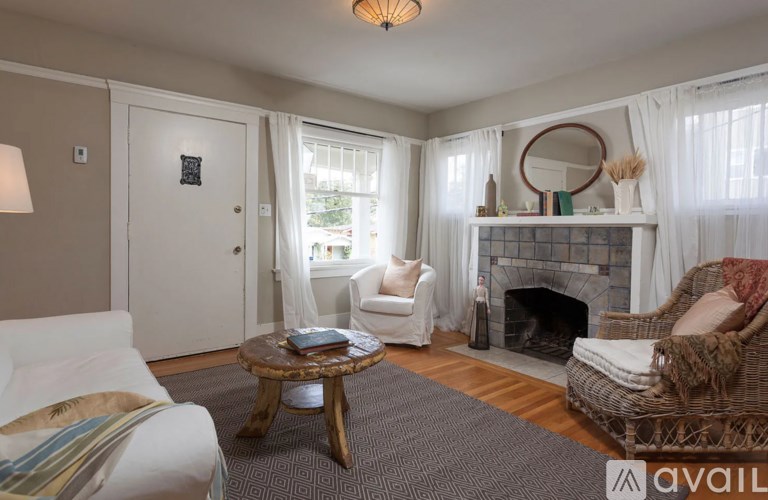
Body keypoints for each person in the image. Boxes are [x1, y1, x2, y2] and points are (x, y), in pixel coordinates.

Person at [465, 275, 491, 349]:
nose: (480, 281)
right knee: (476, 321)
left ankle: (481, 339)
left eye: (482, 280)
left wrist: (488, 308)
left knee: (482, 320)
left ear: (484, 281)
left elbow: (487, 299)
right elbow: (473, 298)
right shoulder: (476, 288)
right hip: (477, 304)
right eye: (479, 280)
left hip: (482, 305)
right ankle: (475, 338)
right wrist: (472, 306)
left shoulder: (485, 289)